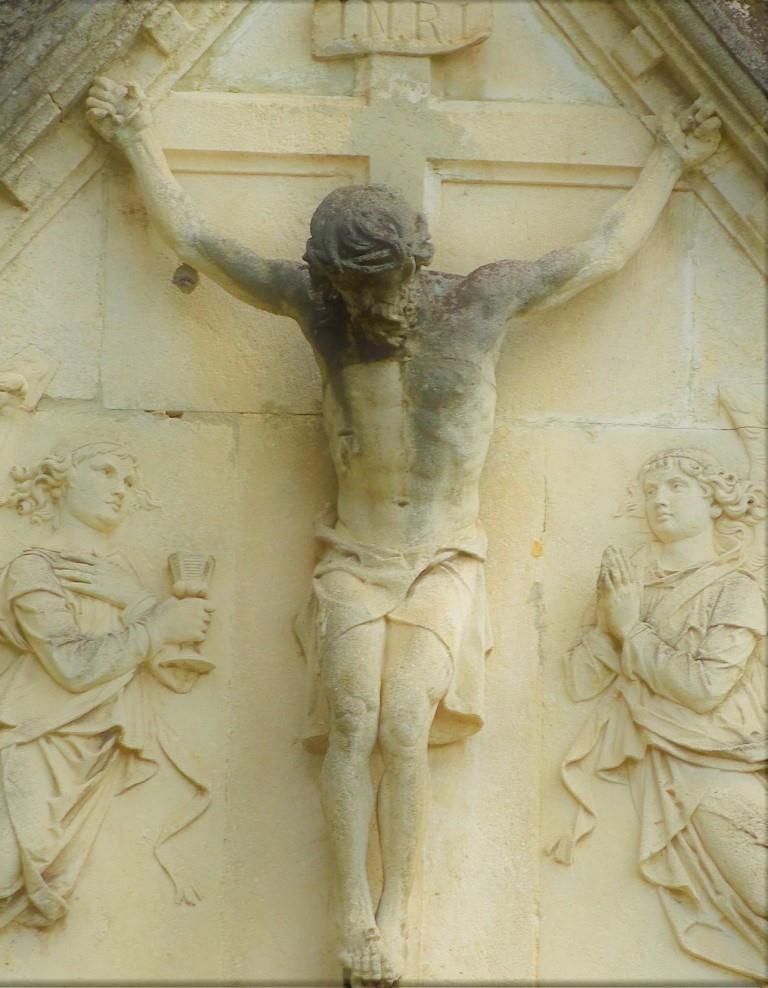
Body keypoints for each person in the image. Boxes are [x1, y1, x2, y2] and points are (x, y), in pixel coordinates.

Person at [86, 77, 722, 984]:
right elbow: (197, 240)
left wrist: (671, 157)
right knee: (351, 717)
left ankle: (396, 915)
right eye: (347, 289)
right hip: (354, 554)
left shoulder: (483, 304)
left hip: (441, 557)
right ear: (328, 281)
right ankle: (352, 913)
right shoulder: (319, 311)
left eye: (375, 286)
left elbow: (600, 256)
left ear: (413, 266)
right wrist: (135, 136)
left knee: (403, 724)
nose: (364, 305)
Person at [551, 447, 766, 980]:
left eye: (676, 487)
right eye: (650, 491)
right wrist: (610, 623)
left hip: (718, 762)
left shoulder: (736, 589)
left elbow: (704, 688)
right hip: (661, 763)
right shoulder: (631, 585)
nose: (659, 500)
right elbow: (580, 682)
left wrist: (632, 630)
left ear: (714, 501)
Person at [0, 438, 215, 929]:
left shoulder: (125, 574)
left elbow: (177, 675)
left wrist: (141, 604)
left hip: (102, 752)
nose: (122, 489)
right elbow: (73, 665)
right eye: (106, 471)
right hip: (39, 744)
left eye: (129, 480)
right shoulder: (35, 568)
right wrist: (157, 626)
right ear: (62, 479)